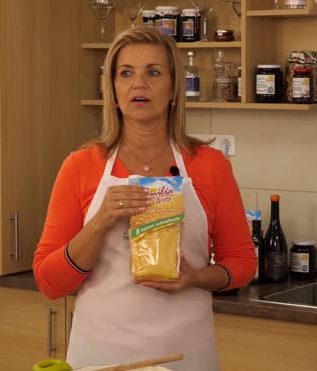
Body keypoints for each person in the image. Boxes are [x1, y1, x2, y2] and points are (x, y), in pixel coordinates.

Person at [33, 26, 256, 370]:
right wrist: (100, 222)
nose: (139, 84)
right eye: (126, 73)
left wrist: (195, 278)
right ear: (113, 90)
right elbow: (50, 283)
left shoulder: (210, 166)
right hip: (100, 356)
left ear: (173, 89)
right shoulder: (80, 166)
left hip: (185, 355)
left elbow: (241, 264)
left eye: (153, 72)